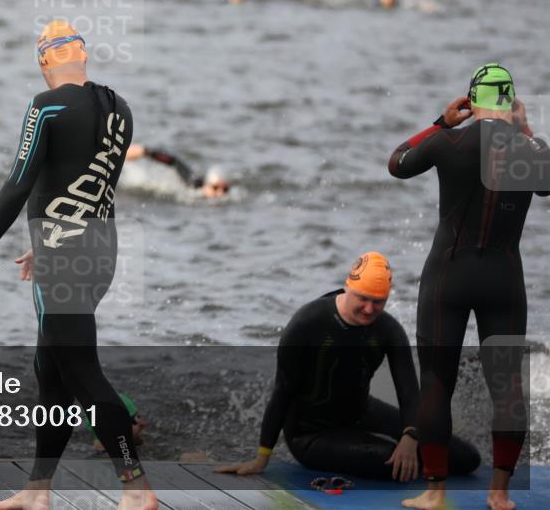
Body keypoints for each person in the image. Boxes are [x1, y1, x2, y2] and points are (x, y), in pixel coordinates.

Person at [0, 20, 157, 510]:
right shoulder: (119, 107)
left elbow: (19, 182)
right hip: (98, 250)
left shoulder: (45, 106)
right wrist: (42, 240)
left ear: (45, 61)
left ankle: (136, 487)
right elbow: (88, 185)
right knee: (52, 370)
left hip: (63, 256)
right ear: (83, 57)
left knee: (82, 373)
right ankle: (37, 490)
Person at [389, 63, 549, 510]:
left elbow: (397, 163)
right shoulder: (530, 149)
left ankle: (435, 492)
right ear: (512, 103)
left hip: (449, 278)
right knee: (508, 386)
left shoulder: (448, 139)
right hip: (504, 282)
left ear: (472, 100)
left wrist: (441, 122)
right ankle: (499, 494)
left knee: (437, 382)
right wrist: (527, 130)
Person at [216, 251, 480, 482]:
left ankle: (406, 456)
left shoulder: (388, 330)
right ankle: (398, 459)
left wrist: (410, 438)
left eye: (378, 301)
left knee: (465, 458)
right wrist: (261, 458)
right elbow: (282, 392)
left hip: (361, 412)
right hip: (310, 434)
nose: (369, 309)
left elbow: (409, 392)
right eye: (363, 298)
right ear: (347, 287)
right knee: (391, 459)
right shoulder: (308, 324)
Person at [125, 143, 231, 199]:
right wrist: (145, 152)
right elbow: (174, 161)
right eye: (215, 188)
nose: (220, 194)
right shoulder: (193, 183)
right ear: (207, 185)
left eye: (225, 190)